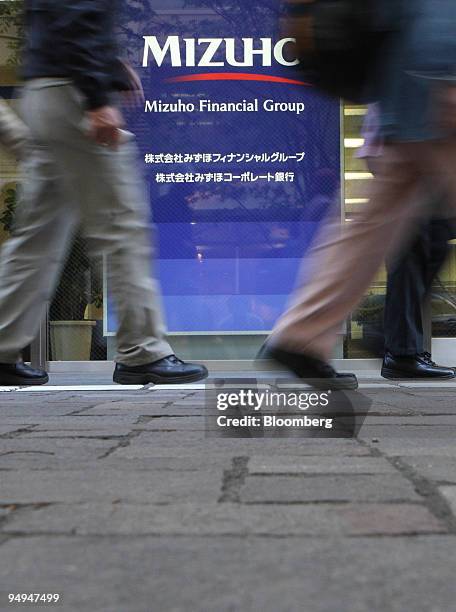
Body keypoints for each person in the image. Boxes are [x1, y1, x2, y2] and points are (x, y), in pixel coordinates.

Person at [0, 0, 208, 386]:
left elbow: (58, 18)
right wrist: (97, 95)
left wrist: (107, 65)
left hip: (45, 89)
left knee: (37, 239)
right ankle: (142, 351)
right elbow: (79, 12)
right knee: (123, 224)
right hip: (73, 95)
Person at [261, 0, 456, 390]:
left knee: (370, 225)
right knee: (373, 224)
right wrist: (444, 79)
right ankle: (313, 334)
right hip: (432, 92)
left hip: (407, 95)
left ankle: (302, 334)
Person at [359, 105, 455, 380]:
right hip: (408, 144)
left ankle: (400, 346)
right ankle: (400, 351)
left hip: (413, 144)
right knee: (417, 244)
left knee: (431, 239)